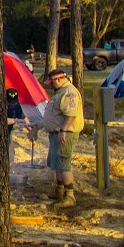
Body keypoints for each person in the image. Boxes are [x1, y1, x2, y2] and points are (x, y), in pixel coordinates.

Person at [42, 66, 84, 208]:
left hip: (65, 134)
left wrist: (63, 130)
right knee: (57, 164)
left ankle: (70, 196)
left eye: (52, 82)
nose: (51, 85)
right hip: (57, 133)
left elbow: (70, 114)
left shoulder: (69, 92)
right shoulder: (60, 92)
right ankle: (59, 192)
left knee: (64, 164)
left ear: (58, 79)